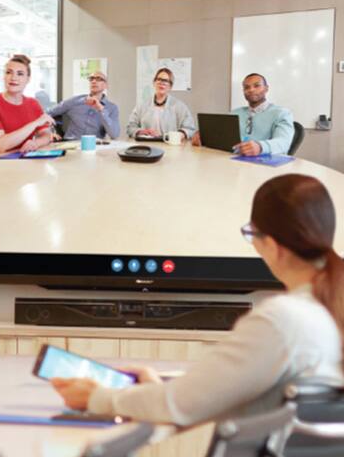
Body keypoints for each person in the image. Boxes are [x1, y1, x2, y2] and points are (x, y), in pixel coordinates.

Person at [53, 173, 342, 424]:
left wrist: (97, 398)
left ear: (273, 246)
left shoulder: (282, 322)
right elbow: (212, 394)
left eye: (251, 234)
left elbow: (180, 407)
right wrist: (159, 390)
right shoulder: (326, 311)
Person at [192, 73, 295, 156]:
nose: (251, 90)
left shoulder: (282, 113)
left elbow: (284, 142)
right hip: (235, 163)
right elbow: (219, 134)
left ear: (266, 88)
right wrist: (202, 136)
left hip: (264, 166)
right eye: (246, 87)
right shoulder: (235, 113)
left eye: (257, 86)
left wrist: (260, 147)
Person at [0, 54, 56, 155]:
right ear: (4, 76)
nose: (13, 77)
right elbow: (2, 145)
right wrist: (35, 123)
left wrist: (35, 143)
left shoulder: (33, 103)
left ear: (28, 79)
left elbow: (46, 134)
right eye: (9, 72)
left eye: (20, 74)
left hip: (20, 158)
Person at [126, 67, 197, 141]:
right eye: (159, 79)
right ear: (154, 83)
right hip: (146, 146)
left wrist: (179, 135)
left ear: (170, 86)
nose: (161, 83)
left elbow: (190, 128)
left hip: (170, 147)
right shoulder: (141, 105)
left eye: (166, 80)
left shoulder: (179, 106)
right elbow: (130, 128)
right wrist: (141, 131)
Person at [47, 71, 120, 140]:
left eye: (98, 79)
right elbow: (46, 114)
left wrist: (101, 109)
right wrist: (50, 132)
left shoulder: (112, 108)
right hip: (71, 143)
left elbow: (114, 135)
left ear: (105, 86)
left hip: (94, 145)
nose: (94, 81)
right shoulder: (74, 101)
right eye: (91, 79)